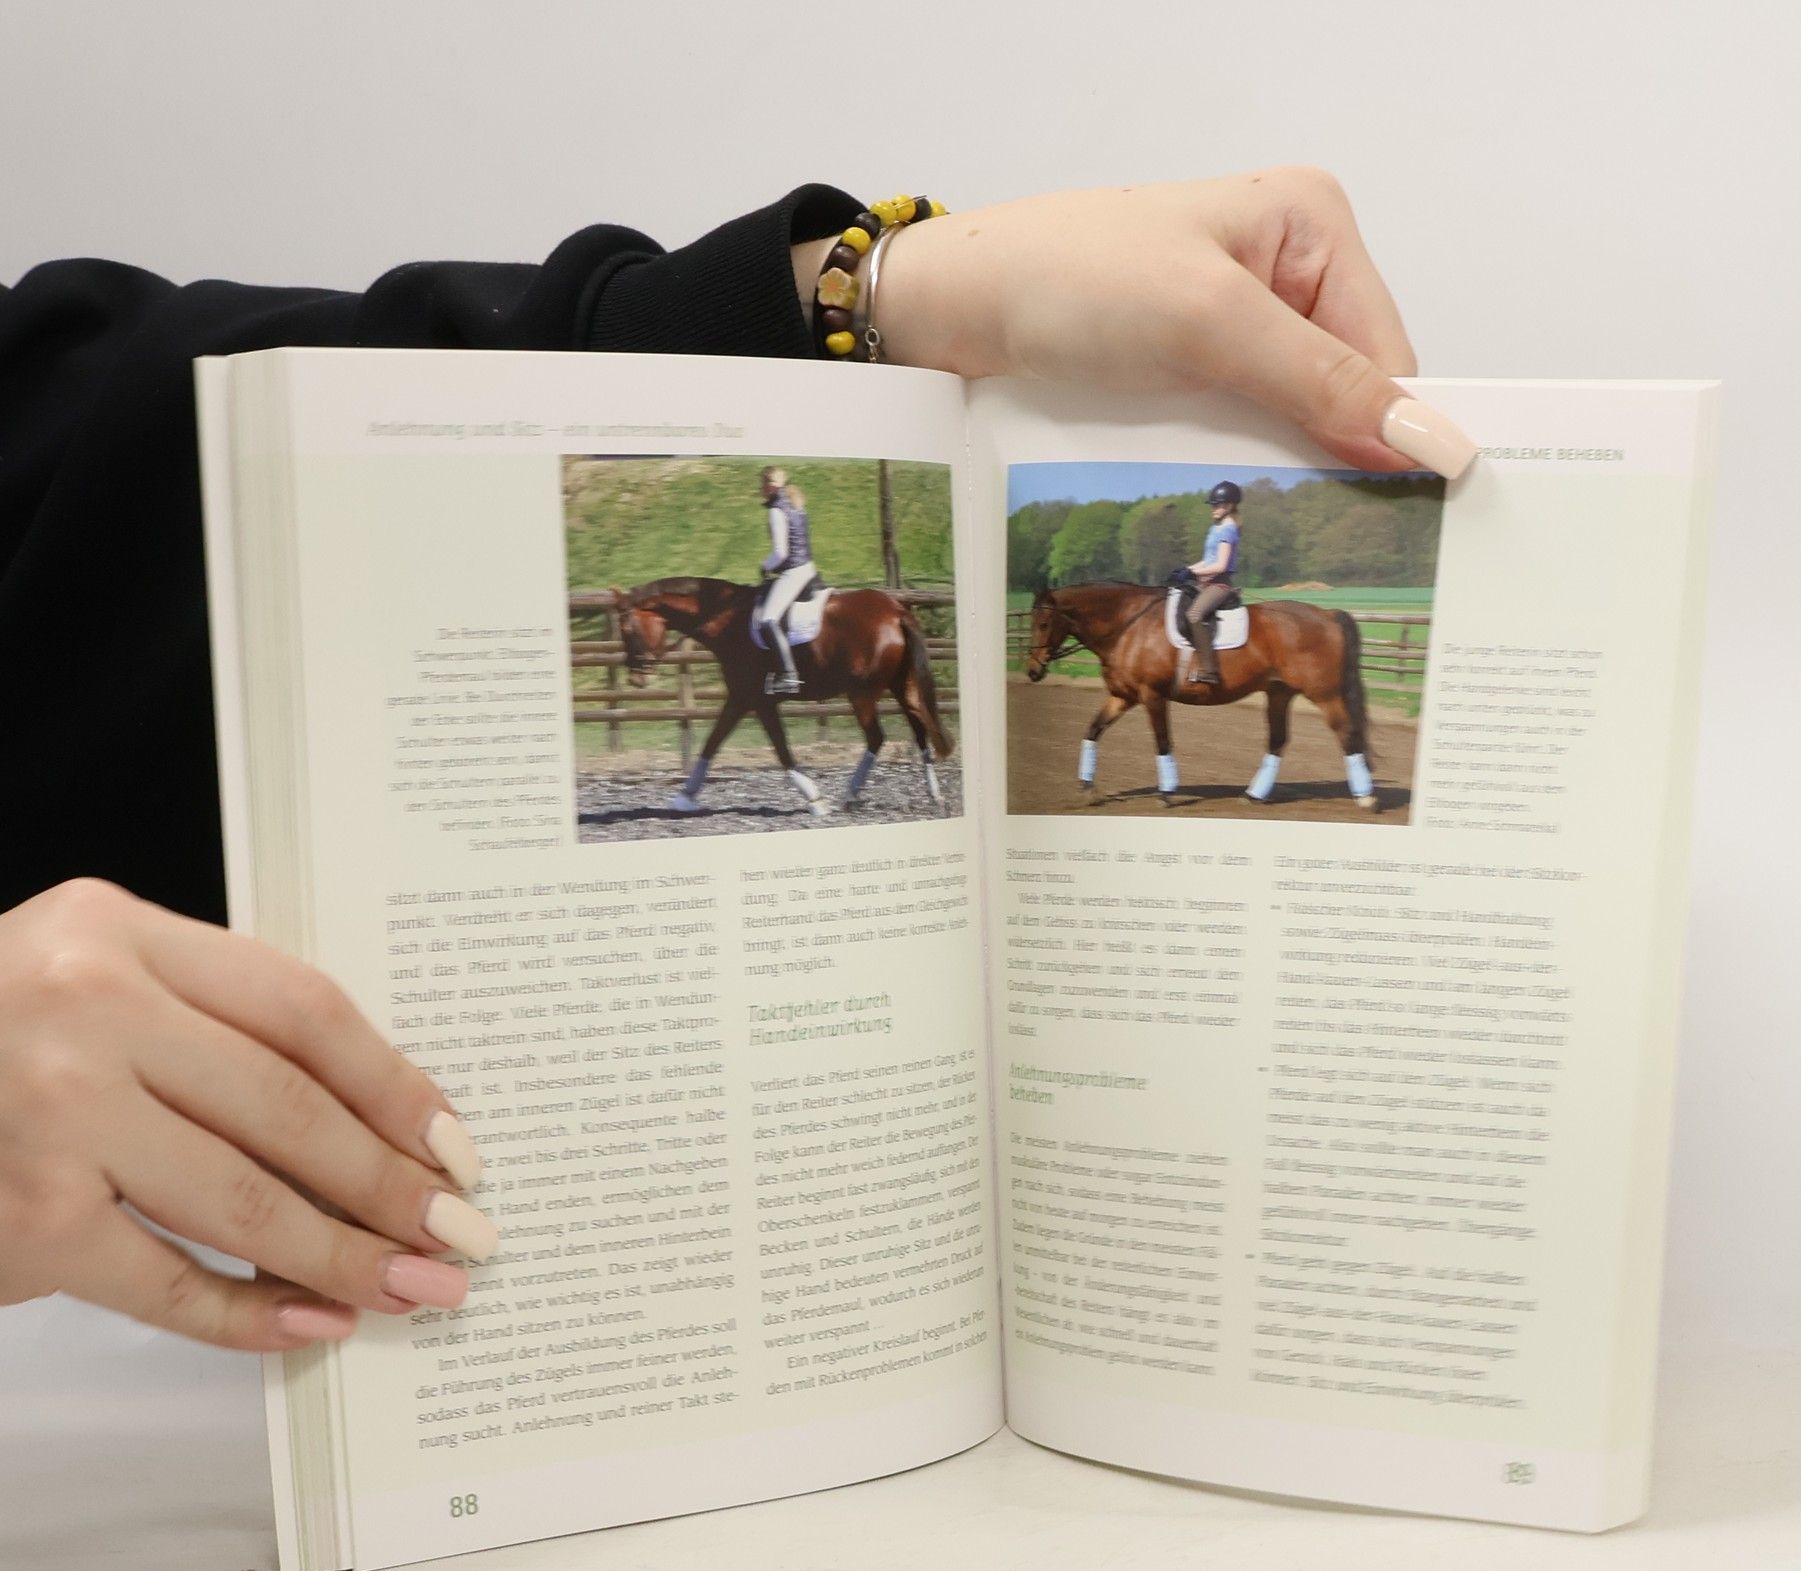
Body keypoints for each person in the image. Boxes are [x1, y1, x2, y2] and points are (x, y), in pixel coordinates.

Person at [0, 168, 1476, 1355]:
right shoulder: (782, 520)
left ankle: (1150, 703)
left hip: (1046, 588)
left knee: (1119, 617)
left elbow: (95, 424)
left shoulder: (1207, 535)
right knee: (780, 617)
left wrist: (868, 292)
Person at [755, 466, 818, 696]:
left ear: (771, 485)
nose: (760, 489)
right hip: (809, 569)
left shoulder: (776, 509)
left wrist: (765, 567)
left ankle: (789, 676)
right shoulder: (794, 500)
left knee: (767, 620)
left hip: (794, 572)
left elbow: (780, 553)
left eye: (762, 484)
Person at [1181, 479, 1244, 686]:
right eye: (1213, 505)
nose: (1214, 508)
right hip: (1206, 581)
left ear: (1230, 505)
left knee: (1194, 615)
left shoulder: (1228, 529)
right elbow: (1208, 561)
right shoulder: (1215, 528)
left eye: (1218, 505)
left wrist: (1193, 574)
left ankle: (1209, 671)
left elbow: (1220, 566)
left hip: (1219, 584)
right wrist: (1187, 570)